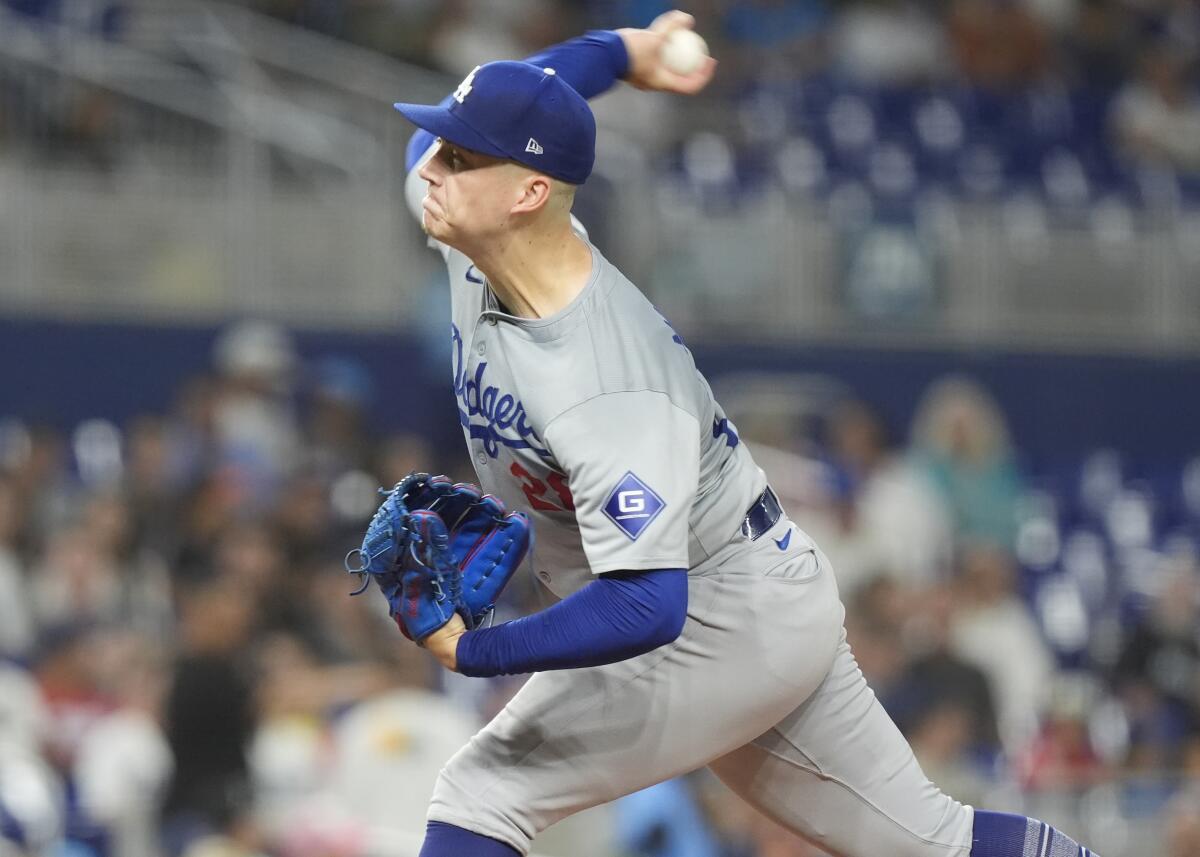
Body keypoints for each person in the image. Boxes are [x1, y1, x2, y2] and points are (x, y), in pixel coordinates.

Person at [388, 11, 1101, 857]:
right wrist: (621, 53)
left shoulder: (611, 380)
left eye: (459, 156)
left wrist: (480, 652)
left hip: (716, 616)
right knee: (932, 840)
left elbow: (647, 605)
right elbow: (517, 100)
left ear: (529, 193)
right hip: (756, 590)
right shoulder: (475, 231)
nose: (432, 166)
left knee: (484, 791)